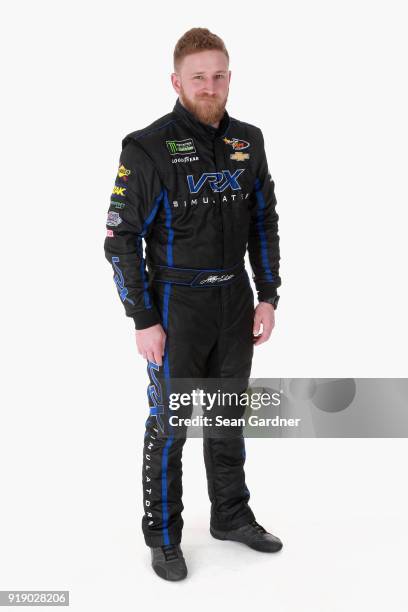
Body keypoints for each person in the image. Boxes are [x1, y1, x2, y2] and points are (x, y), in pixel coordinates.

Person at [104, 27, 283, 581]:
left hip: (234, 301)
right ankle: (162, 535)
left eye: (219, 75)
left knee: (229, 416)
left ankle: (230, 515)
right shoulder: (147, 147)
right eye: (198, 77)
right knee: (172, 424)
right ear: (176, 81)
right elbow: (119, 238)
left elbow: (263, 221)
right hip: (175, 304)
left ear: (230, 77)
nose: (210, 86)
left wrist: (269, 294)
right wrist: (143, 317)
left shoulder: (247, 141)